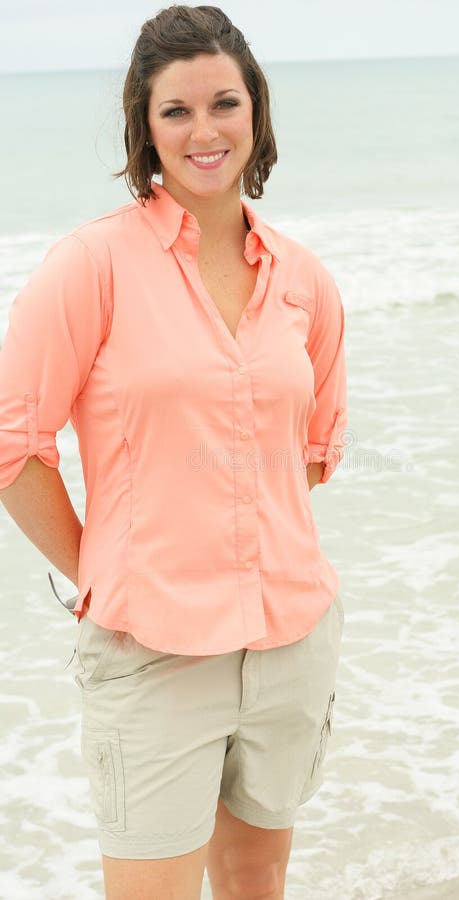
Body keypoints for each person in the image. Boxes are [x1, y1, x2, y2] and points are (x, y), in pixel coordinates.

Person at [0, 5, 347, 899]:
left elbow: (307, 456)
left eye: (225, 103)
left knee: (255, 883)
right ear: (143, 129)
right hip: (150, 647)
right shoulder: (93, 267)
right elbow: (13, 444)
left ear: (257, 113)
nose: (205, 131)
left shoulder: (304, 281)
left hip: (289, 644)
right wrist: (105, 573)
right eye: (176, 111)